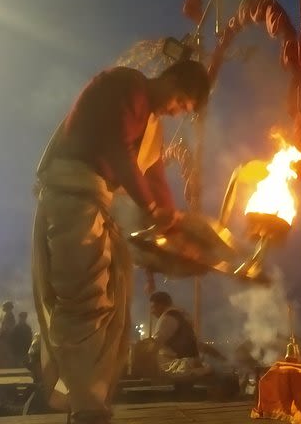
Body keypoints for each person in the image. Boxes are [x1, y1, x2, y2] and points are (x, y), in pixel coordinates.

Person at [32, 60, 210, 424]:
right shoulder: (127, 86)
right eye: (181, 101)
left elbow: (156, 179)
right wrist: (151, 208)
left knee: (111, 307)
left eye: (184, 109)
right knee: (86, 304)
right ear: (171, 79)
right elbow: (117, 151)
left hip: (94, 205)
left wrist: (176, 229)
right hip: (72, 199)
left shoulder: (152, 126)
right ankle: (83, 407)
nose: (176, 110)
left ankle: (86, 401)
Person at [148, 291, 210, 379]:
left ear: (161, 305)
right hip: (190, 362)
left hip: (181, 366)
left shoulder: (167, 318)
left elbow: (156, 344)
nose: (152, 312)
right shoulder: (181, 315)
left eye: (153, 307)